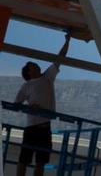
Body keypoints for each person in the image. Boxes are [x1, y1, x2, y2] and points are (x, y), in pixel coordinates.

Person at [14, 33, 71, 176]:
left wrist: (67, 41)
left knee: (41, 161)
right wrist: (29, 107)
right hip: (32, 127)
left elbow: (60, 58)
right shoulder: (27, 85)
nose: (37, 65)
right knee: (24, 160)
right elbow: (16, 104)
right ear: (29, 72)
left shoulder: (47, 77)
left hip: (45, 127)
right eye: (33, 66)